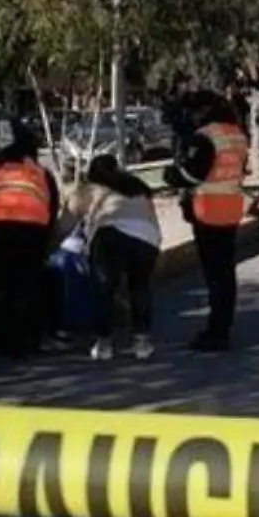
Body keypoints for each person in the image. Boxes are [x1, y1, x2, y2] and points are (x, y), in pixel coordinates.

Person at [164, 91, 249, 351]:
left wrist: (171, 175)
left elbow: (193, 173)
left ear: (203, 110)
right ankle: (223, 326)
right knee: (224, 273)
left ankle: (216, 332)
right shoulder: (237, 134)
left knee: (215, 275)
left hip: (208, 211)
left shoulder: (207, 136)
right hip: (230, 209)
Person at [0, 130, 60, 358]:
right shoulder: (39, 173)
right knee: (27, 285)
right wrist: (46, 243)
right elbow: (52, 209)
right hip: (30, 231)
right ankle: (27, 342)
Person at [72, 153, 162, 361]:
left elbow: (65, 224)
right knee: (140, 288)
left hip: (109, 235)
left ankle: (104, 343)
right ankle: (142, 343)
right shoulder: (137, 186)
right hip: (146, 238)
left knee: (104, 290)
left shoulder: (89, 189)